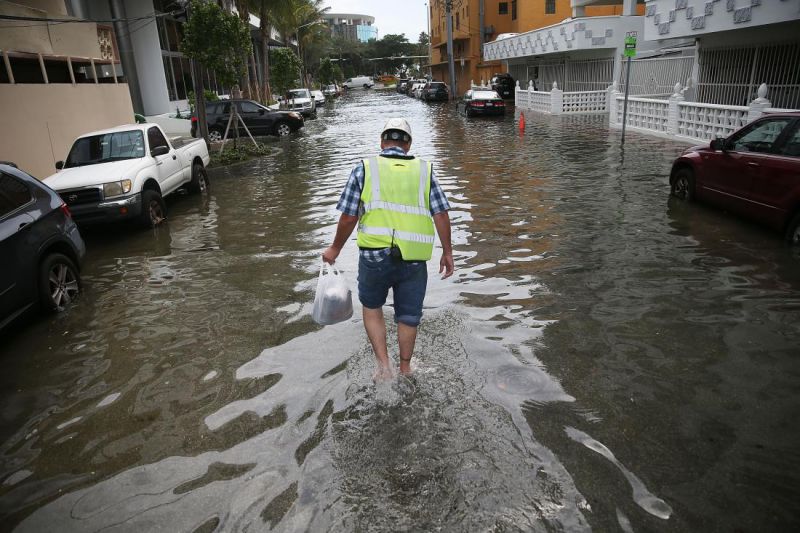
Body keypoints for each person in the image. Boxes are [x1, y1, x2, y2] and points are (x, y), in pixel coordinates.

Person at [322, 118, 454, 379]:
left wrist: (335, 249)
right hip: (413, 259)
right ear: (409, 144)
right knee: (408, 315)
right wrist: (447, 252)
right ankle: (405, 368)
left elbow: (349, 216)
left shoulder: (364, 169)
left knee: (372, 307)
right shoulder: (425, 171)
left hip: (374, 256)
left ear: (382, 142)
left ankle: (384, 367)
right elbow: (441, 214)